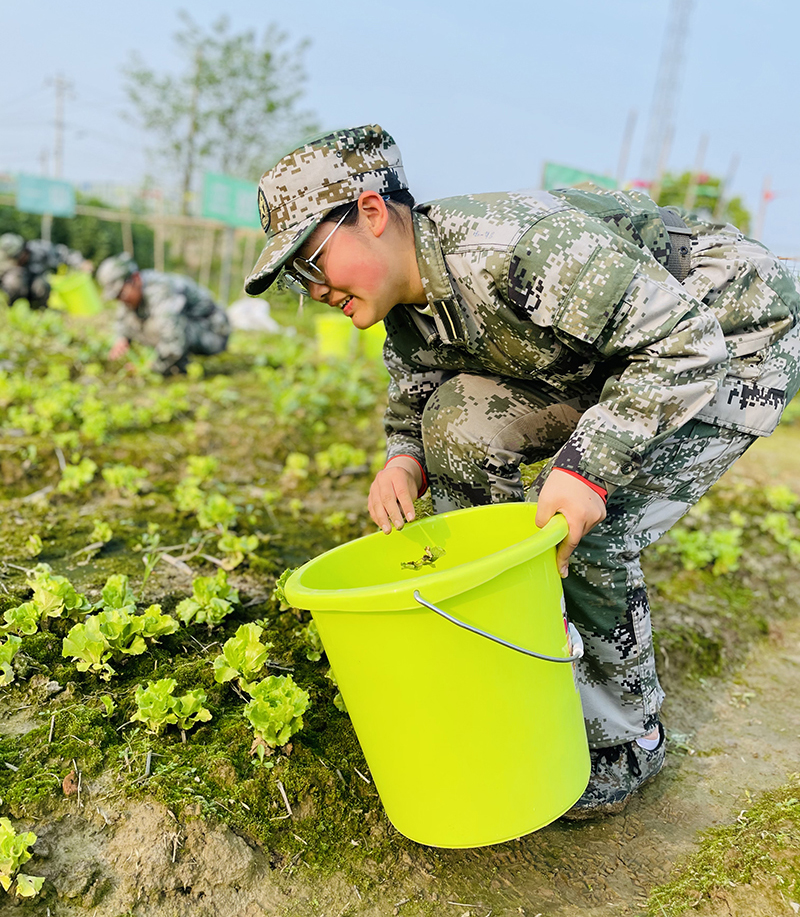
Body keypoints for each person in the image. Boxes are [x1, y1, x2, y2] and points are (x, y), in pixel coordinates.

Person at [244, 125, 800, 819]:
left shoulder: (516, 248)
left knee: (587, 524)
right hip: (615, 355)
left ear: (373, 213)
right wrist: (402, 458)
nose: (314, 287)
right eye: (296, 276)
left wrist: (587, 469)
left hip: (731, 338)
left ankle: (629, 741)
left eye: (313, 259)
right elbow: (418, 392)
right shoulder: (410, 305)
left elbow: (684, 344)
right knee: (452, 426)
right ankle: (522, 653)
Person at [96, 254, 231, 375]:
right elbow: (122, 318)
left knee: (154, 327)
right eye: (116, 297)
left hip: (214, 332)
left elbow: (173, 337)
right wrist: (122, 338)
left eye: (122, 293)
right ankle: (172, 361)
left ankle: (177, 365)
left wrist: (151, 368)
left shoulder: (160, 291)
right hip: (194, 327)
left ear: (135, 278)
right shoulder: (134, 293)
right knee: (136, 323)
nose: (121, 300)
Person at [0, 232, 90, 309]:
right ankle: (14, 308)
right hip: (18, 295)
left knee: (42, 284)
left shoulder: (39, 249)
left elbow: (64, 253)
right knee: (12, 281)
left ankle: (40, 309)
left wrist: (81, 263)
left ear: (24, 250)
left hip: (37, 287)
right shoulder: (4, 259)